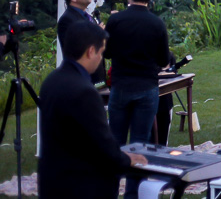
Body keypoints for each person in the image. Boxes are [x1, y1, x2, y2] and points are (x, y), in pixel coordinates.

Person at [38, 21, 148, 199]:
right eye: (101, 52)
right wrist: (128, 160)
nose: (100, 58)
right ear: (90, 51)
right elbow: (103, 145)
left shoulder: (51, 80)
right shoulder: (84, 92)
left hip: (53, 182)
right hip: (80, 186)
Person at [104, 0, 170, 199]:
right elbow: (163, 59)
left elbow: (108, 52)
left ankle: (110, 191)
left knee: (116, 141)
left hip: (121, 85)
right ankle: (133, 194)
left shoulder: (116, 21)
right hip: (146, 87)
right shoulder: (157, 23)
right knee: (140, 144)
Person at [57, 0, 106, 84]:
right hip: (81, 79)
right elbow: (76, 47)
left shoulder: (88, 17)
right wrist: (98, 33)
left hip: (97, 78)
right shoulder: (67, 19)